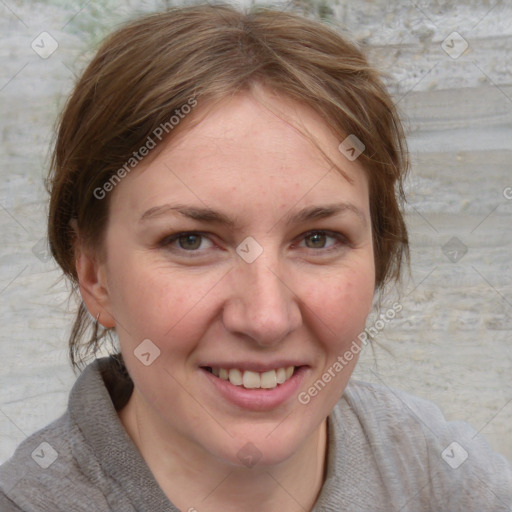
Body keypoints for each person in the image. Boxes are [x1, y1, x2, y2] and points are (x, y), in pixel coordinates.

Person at [0, 3, 511, 511]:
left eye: (318, 239)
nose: (266, 319)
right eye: (191, 241)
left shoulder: (443, 475)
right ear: (95, 275)